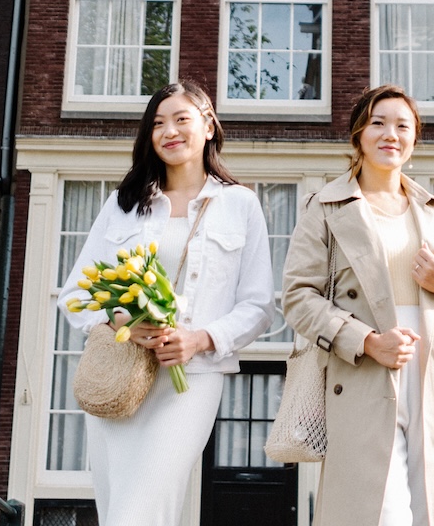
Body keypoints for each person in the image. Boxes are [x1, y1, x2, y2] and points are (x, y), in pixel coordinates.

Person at [56, 79, 273, 526]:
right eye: (157, 123)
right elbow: (75, 294)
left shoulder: (240, 205)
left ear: (209, 126)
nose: (169, 131)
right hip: (121, 377)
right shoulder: (124, 205)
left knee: (139, 512)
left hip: (190, 383)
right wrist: (121, 321)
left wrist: (199, 339)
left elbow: (257, 306)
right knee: (121, 509)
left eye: (181, 119)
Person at [282, 84, 434, 526]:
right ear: (359, 134)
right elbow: (298, 298)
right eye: (378, 123)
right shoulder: (324, 207)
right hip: (364, 370)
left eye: (402, 126)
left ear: (414, 141)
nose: (389, 134)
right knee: (379, 512)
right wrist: (367, 341)